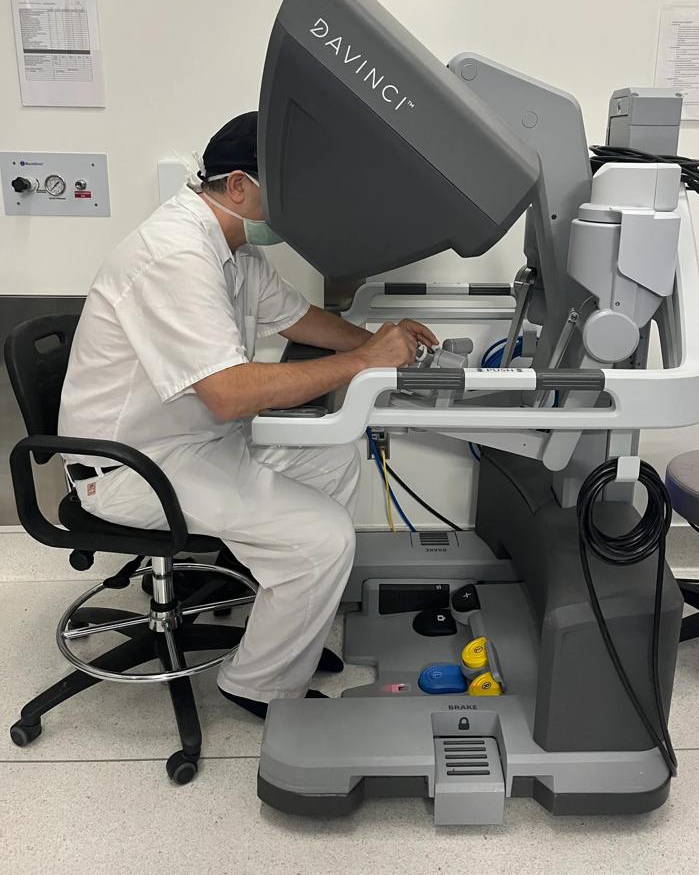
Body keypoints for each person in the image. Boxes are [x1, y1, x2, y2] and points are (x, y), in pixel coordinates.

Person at [58, 111, 437, 718]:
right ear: (238, 185)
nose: (299, 210)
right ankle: (258, 684)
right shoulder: (176, 254)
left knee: (332, 453)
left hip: (193, 442)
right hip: (133, 467)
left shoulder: (230, 248)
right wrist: (366, 361)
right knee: (323, 538)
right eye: (288, 193)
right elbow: (230, 393)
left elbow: (299, 319)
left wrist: (378, 339)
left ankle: (288, 629)